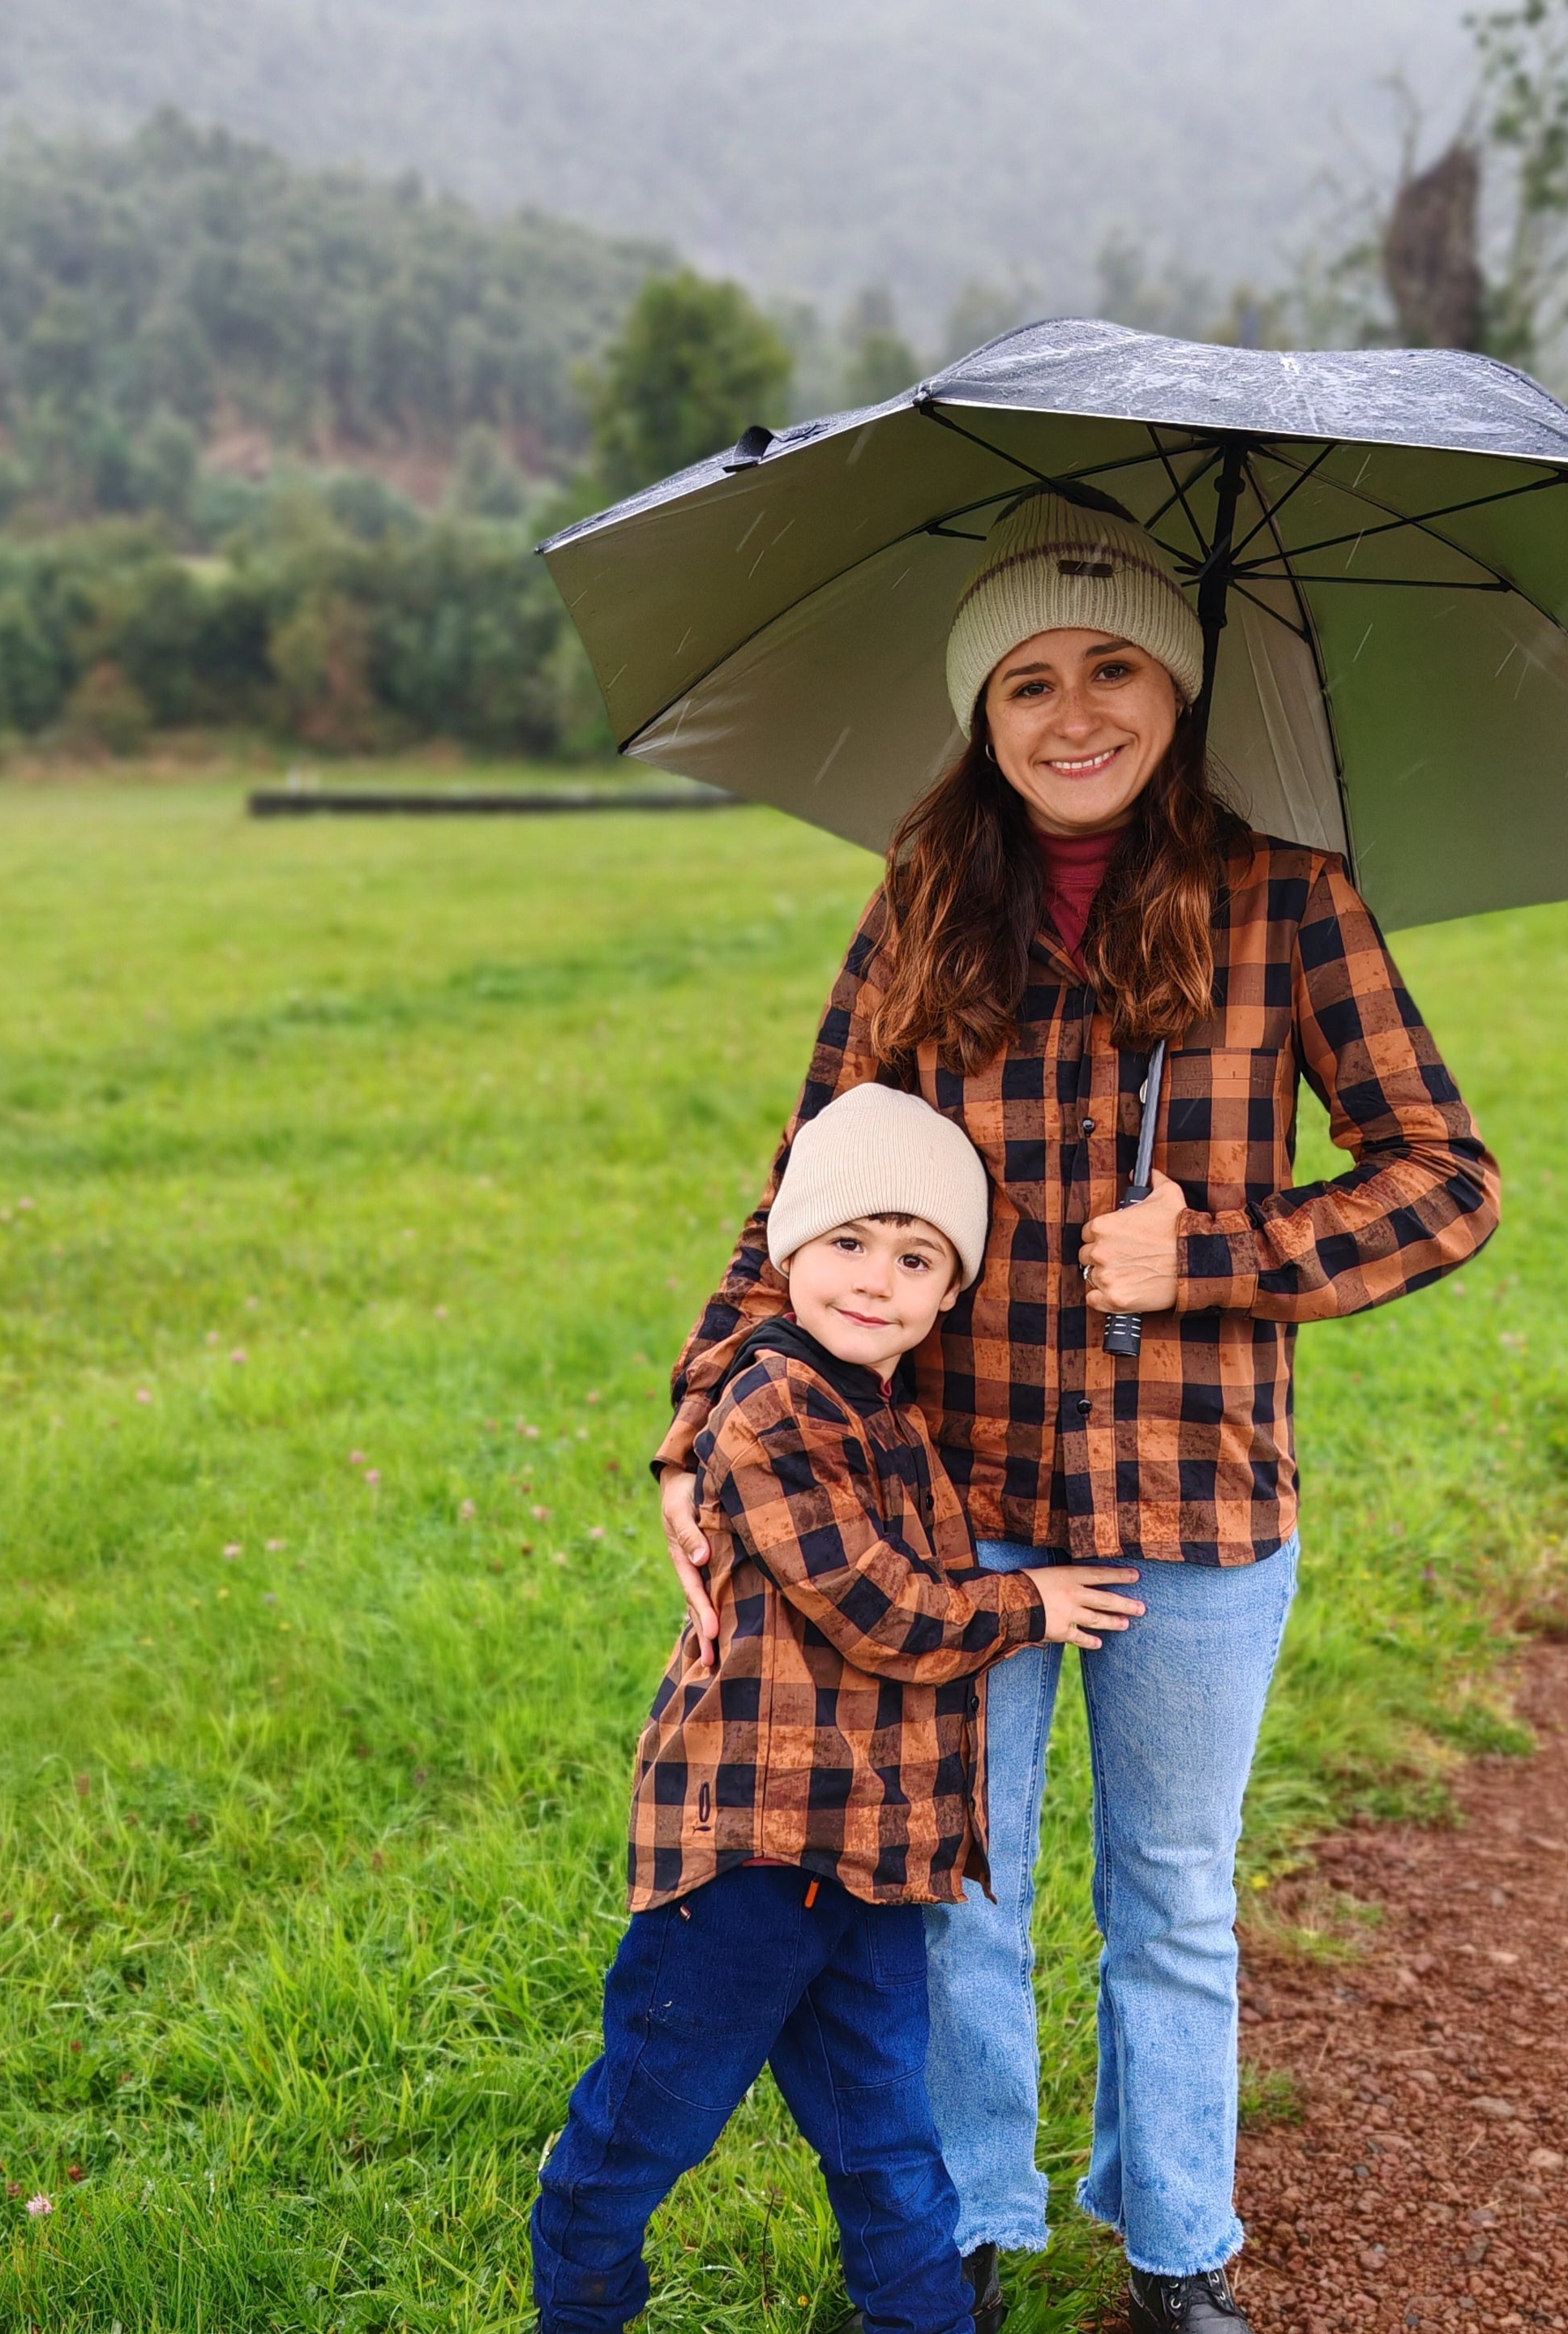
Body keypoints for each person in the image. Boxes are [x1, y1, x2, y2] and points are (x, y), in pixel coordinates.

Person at [656, 485, 1500, 2334]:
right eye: (1028, 680)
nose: (1074, 713)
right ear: (982, 712)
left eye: (1115, 667)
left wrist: (1216, 1255)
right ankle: (963, 2221)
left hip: (1199, 1504)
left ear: (1178, 691)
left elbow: (1447, 1179)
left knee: (1173, 1896)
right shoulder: (921, 909)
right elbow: (806, 1188)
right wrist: (699, 1422)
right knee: (956, 1887)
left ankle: (1180, 2253)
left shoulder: (1290, 903)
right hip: (950, 1501)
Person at [533, 1082, 1146, 2334]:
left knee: (888, 2144)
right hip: (753, 1859)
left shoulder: (893, 1416)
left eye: (917, 1258)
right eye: (849, 1242)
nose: (877, 1279)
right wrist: (1028, 1603)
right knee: (652, 2116)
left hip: (871, 1861)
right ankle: (580, 2296)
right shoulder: (769, 1406)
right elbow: (881, 1609)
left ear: (952, 1290)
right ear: (790, 1251)